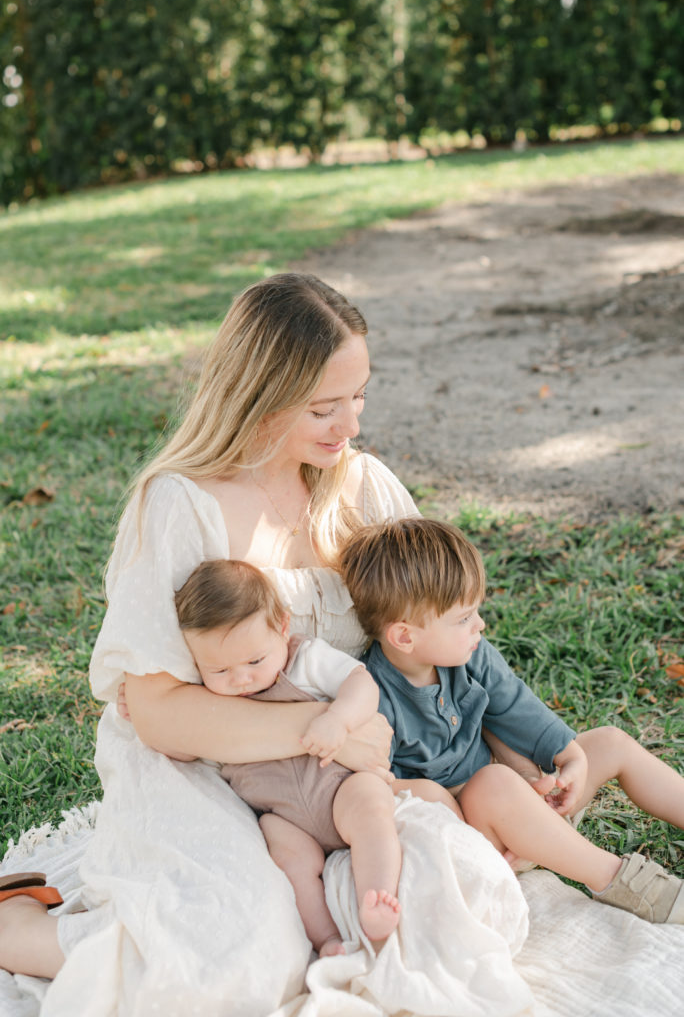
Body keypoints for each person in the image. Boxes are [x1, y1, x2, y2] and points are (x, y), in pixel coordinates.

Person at [0, 273, 450, 1004]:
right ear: (261, 396)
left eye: (359, 396)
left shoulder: (361, 489)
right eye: (324, 406)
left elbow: (431, 634)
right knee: (240, 953)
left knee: (437, 897)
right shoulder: (181, 503)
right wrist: (322, 727)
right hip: (200, 765)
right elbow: (158, 712)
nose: (351, 425)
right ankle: (20, 928)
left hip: (337, 774)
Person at [338, 516, 684, 925]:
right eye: (464, 617)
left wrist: (568, 755)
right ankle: (624, 882)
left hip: (519, 808)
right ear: (404, 637)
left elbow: (514, 703)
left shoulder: (469, 654)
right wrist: (468, 808)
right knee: (492, 783)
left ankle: (547, 834)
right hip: (474, 834)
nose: (479, 625)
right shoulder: (372, 694)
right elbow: (385, 787)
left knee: (609, 742)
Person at [172, 558, 463, 954]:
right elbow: (186, 745)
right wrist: (141, 717)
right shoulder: (209, 701)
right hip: (282, 815)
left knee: (370, 813)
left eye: (255, 661)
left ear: (283, 628)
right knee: (288, 861)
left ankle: (376, 898)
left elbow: (361, 683)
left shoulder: (305, 660)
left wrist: (339, 720)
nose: (241, 678)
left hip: (339, 786)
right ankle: (325, 939)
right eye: (219, 670)